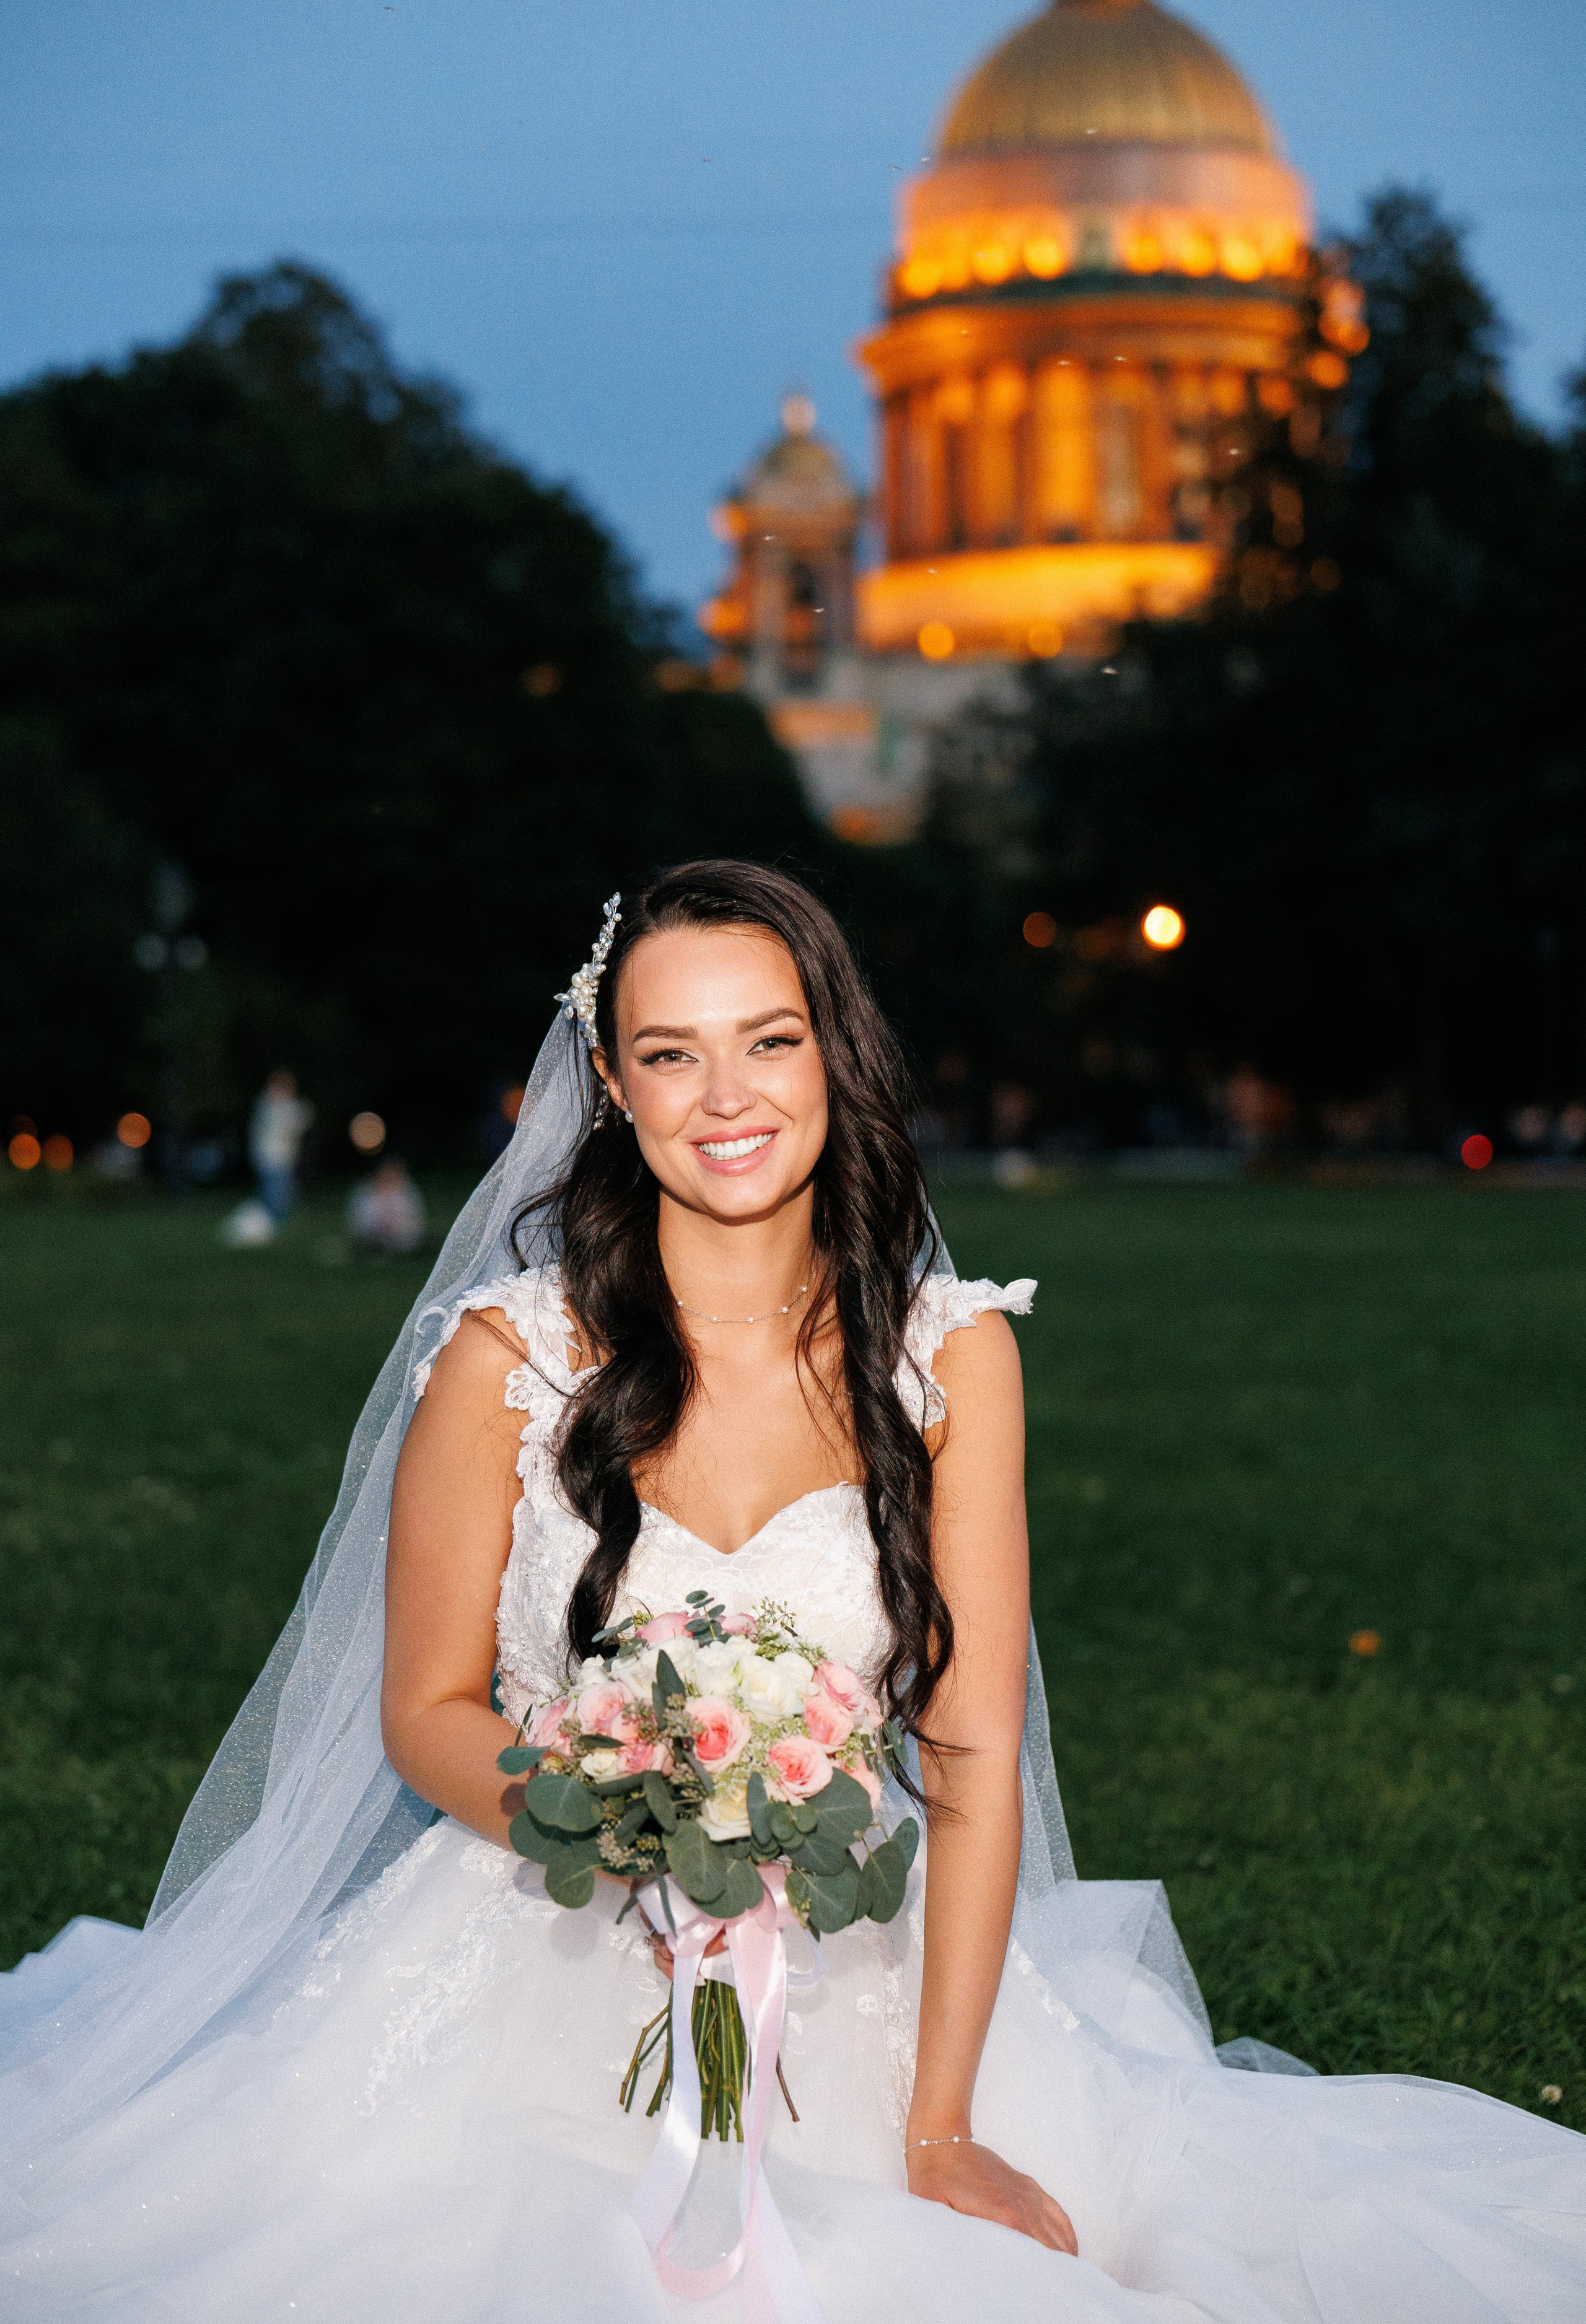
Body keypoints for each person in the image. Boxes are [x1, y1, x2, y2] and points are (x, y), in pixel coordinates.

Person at [1, 860, 1582, 2322]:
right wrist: (622, 1813)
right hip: (535, 1935)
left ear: (835, 1052)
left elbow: (964, 1762)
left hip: (863, 1952)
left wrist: (943, 2119)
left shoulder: (954, 1354)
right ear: (610, 1087)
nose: (725, 1095)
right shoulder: (504, 1361)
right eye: (670, 1053)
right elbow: (422, 1711)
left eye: (767, 1039)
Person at [248, 1068, 315, 1223]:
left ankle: (270, 1223)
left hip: (279, 1157)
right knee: (274, 1193)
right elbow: (298, 1121)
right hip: (273, 1157)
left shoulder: (278, 1105)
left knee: (277, 1192)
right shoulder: (272, 1105)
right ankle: (270, 1223)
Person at [348, 1157, 427, 1254]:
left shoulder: (407, 1190)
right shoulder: (366, 1191)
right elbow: (360, 1219)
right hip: (374, 1236)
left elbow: (415, 1218)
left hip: (402, 1236)